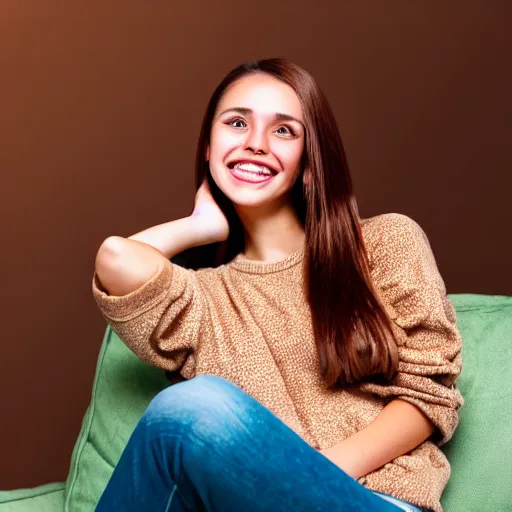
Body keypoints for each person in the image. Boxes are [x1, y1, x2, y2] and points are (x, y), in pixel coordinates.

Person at [91, 58, 463, 512]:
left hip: (376, 501)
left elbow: (427, 396)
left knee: (191, 405)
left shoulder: (384, 243)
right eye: (237, 123)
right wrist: (200, 224)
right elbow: (115, 258)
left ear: (310, 160)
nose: (255, 144)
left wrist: (308, 475)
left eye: (283, 130)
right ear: (208, 146)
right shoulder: (202, 298)